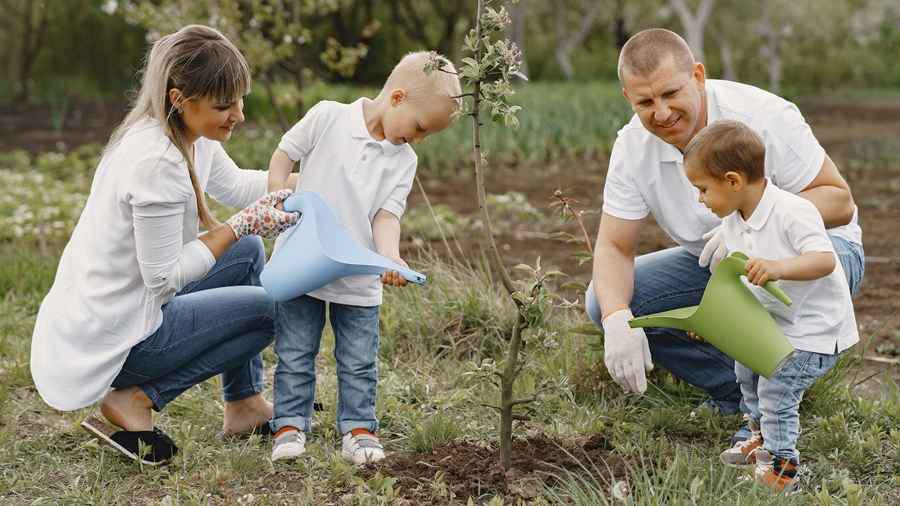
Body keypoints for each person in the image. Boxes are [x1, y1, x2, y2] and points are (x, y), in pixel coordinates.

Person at [30, 25, 300, 465]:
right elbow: (163, 277)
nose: (239, 115)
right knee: (270, 307)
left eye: (240, 100)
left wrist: (323, 184)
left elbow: (236, 187)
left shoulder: (186, 134)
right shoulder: (156, 164)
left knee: (248, 253)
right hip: (110, 340)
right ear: (180, 98)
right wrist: (236, 227)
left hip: (119, 310)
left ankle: (244, 405)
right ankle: (137, 396)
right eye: (224, 105)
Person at [583, 29, 864, 443]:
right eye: (645, 102)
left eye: (670, 93)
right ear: (629, 98)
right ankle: (740, 392)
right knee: (604, 300)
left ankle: (776, 402)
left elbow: (838, 201)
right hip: (719, 266)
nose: (661, 113)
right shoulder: (633, 148)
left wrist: (746, 226)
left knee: (757, 288)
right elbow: (614, 246)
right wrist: (616, 320)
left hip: (818, 253)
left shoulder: (763, 116)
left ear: (698, 75)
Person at [264, 51, 461, 464]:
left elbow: (386, 216)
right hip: (302, 264)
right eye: (420, 127)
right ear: (397, 97)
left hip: (357, 276)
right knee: (296, 352)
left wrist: (390, 257)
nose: (419, 139)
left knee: (358, 359)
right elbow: (285, 153)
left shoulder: (404, 160)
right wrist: (277, 197)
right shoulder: (328, 117)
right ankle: (289, 425)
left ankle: (358, 429)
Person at [682, 120, 858, 493]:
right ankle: (761, 439)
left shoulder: (793, 211)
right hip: (777, 323)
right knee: (745, 369)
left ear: (733, 181)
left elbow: (825, 260)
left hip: (815, 331)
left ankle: (782, 468)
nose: (700, 199)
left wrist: (779, 268)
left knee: (776, 391)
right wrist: (713, 319)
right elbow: (733, 278)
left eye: (702, 189)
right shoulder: (734, 220)